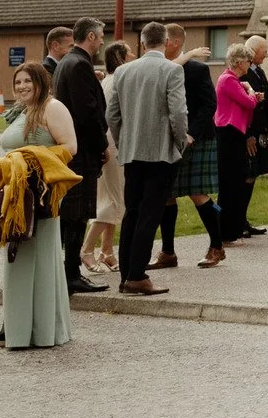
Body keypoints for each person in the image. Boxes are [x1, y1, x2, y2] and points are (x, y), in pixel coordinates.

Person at [0, 61, 77, 348]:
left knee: (37, 257)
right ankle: (16, 323)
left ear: (41, 82)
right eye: (18, 83)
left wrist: (29, 158)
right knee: (17, 256)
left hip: (39, 194)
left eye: (28, 81)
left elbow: (70, 147)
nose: (22, 87)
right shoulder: (22, 111)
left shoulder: (53, 108)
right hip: (15, 194)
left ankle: (41, 328)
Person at [106, 21, 187, 295]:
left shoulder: (123, 71)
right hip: (160, 152)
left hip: (131, 152)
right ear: (165, 42)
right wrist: (180, 142)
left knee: (132, 212)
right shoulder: (172, 70)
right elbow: (177, 113)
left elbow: (112, 115)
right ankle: (137, 275)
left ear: (142, 42)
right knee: (150, 214)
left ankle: (126, 273)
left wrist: (123, 140)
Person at [159, 25, 226, 268]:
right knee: (166, 194)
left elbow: (210, 105)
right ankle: (168, 252)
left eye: (163, 40)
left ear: (174, 42)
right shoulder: (159, 68)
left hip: (196, 139)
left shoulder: (197, 69)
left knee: (197, 193)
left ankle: (217, 246)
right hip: (166, 140)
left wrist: (190, 134)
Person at [52, 17, 110, 295]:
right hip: (82, 150)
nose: (102, 42)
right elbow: (88, 113)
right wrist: (102, 146)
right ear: (89, 36)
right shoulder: (79, 65)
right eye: (100, 37)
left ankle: (67, 270)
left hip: (74, 148)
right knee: (77, 215)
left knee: (74, 215)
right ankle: (70, 274)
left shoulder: (67, 63)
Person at [80, 40, 131, 276]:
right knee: (112, 199)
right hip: (114, 145)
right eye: (129, 52)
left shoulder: (108, 80)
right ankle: (87, 249)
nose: (133, 56)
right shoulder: (120, 77)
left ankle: (107, 250)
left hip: (109, 143)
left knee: (114, 197)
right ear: (120, 57)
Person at [214, 44, 263, 246]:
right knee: (229, 184)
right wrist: (252, 92)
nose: (250, 65)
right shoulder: (228, 80)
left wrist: (249, 93)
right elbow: (249, 103)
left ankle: (231, 231)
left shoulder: (233, 80)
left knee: (237, 181)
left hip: (234, 133)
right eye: (249, 61)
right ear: (240, 62)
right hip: (228, 133)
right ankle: (224, 233)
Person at [241, 35, 268, 238]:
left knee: (252, 176)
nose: (267, 54)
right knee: (246, 176)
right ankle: (238, 220)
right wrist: (248, 135)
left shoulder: (258, 71)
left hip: (261, 132)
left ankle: (243, 219)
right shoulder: (244, 75)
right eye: (264, 50)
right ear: (254, 52)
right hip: (250, 135)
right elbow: (244, 109)